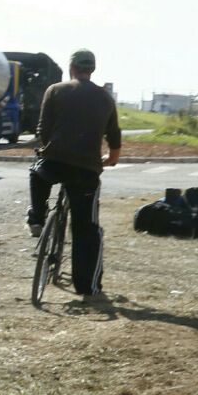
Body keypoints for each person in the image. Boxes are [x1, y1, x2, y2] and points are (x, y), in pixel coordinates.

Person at [27, 48, 122, 297]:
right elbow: (114, 137)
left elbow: (43, 130)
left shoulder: (55, 90)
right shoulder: (105, 98)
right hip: (86, 170)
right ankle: (87, 287)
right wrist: (111, 160)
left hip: (54, 163)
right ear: (92, 69)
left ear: (71, 68)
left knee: (37, 173)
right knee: (86, 229)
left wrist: (51, 148)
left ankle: (37, 218)